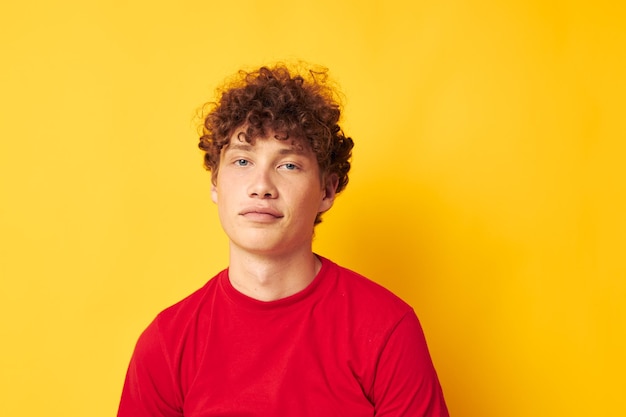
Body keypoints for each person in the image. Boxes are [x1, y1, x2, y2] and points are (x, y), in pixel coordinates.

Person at [117, 63, 449, 416]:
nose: (261, 186)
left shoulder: (387, 329)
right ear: (215, 184)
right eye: (242, 161)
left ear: (327, 189)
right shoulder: (167, 343)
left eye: (288, 165)